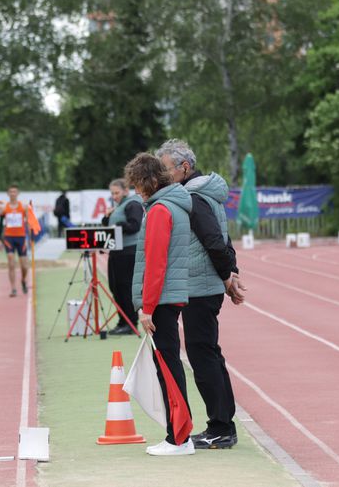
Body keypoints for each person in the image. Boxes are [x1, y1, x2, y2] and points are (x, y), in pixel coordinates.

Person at [157, 139, 245, 450]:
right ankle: (223, 425)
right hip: (204, 284)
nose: (163, 176)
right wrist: (230, 273)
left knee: (202, 356)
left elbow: (212, 239)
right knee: (209, 354)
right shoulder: (206, 193)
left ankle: (220, 428)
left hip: (200, 286)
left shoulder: (193, 196)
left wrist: (226, 276)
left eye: (166, 169)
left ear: (184, 167)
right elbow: (223, 237)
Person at [124, 152, 194, 456]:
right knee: (169, 365)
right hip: (169, 296)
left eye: (139, 184)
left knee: (168, 367)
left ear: (153, 180)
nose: (137, 191)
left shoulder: (160, 210)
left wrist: (147, 307)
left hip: (162, 300)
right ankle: (179, 434)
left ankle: (178, 438)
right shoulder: (171, 205)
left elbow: (155, 264)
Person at [103, 178, 144, 335]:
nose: (114, 196)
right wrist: (107, 218)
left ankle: (130, 323)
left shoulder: (133, 204)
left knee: (125, 288)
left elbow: (134, 225)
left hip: (128, 252)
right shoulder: (118, 206)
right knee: (115, 287)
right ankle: (122, 321)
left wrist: (117, 225)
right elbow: (108, 225)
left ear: (126, 191)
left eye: (117, 193)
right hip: (116, 252)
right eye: (112, 193)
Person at [0, 185, 30, 297]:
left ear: (18, 193)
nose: (12, 193)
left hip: (21, 238)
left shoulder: (23, 207)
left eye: (14, 192)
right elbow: (0, 224)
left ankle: (23, 280)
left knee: (24, 266)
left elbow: (28, 223)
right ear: (8, 194)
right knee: (11, 263)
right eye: (10, 192)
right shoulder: (4, 208)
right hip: (9, 238)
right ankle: (13, 288)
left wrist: (30, 236)